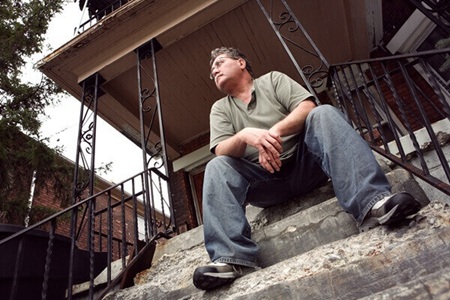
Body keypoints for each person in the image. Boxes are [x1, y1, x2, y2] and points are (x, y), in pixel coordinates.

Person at [192, 47, 421, 291]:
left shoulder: (273, 80)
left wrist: (273, 133)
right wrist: (246, 135)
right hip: (264, 182)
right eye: (211, 69)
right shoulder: (220, 108)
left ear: (240, 63)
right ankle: (231, 258)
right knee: (217, 165)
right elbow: (221, 150)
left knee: (323, 112)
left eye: (219, 62)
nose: (214, 70)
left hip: (307, 165)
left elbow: (306, 108)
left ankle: (371, 204)